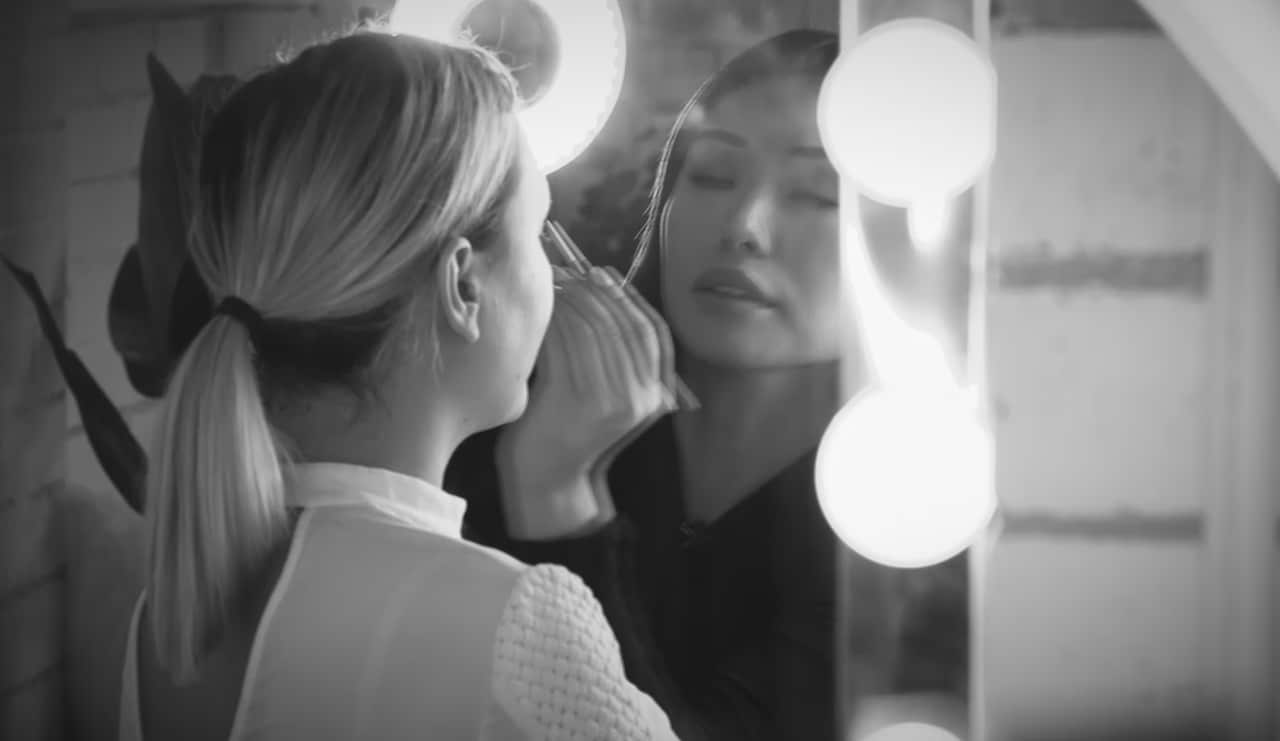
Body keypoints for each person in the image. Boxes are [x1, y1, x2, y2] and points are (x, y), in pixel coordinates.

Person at [118, 29, 678, 741]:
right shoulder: (514, 620)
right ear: (464, 284)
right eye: (539, 229)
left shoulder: (165, 615)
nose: (557, 272)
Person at [448, 29, 969, 740]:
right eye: (715, 175)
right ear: (665, 199)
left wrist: (558, 496)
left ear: (900, 241)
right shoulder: (502, 408)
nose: (745, 227)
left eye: (818, 193)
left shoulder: (907, 516)